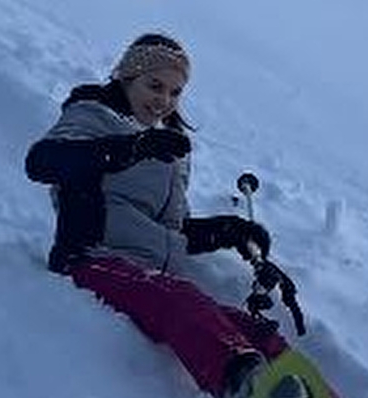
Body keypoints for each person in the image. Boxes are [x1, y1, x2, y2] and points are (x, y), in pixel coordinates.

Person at [25, 33, 305, 398]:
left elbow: (173, 231)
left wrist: (230, 230)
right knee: (180, 298)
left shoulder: (167, 147)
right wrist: (129, 149)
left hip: (151, 275)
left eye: (175, 93)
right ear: (127, 77)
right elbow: (43, 161)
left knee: (249, 331)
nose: (164, 100)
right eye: (154, 86)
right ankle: (244, 387)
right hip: (91, 261)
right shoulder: (92, 114)